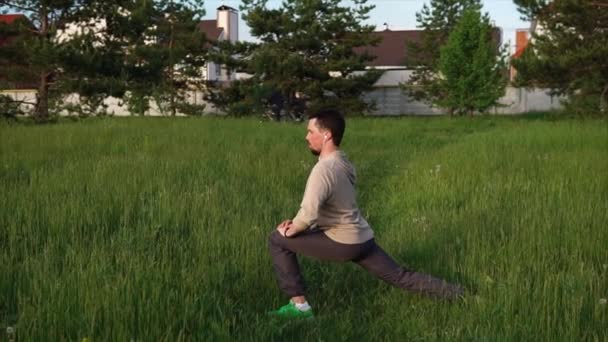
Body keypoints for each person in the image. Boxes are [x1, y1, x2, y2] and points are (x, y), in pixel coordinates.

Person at [268, 109, 464, 319]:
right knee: (400, 276)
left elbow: (308, 214)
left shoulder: (324, 169)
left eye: (310, 131)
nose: (306, 137)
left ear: (327, 135)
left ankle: (299, 307)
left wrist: (291, 229)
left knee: (277, 240)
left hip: (343, 243)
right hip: (362, 239)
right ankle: (459, 294)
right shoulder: (342, 162)